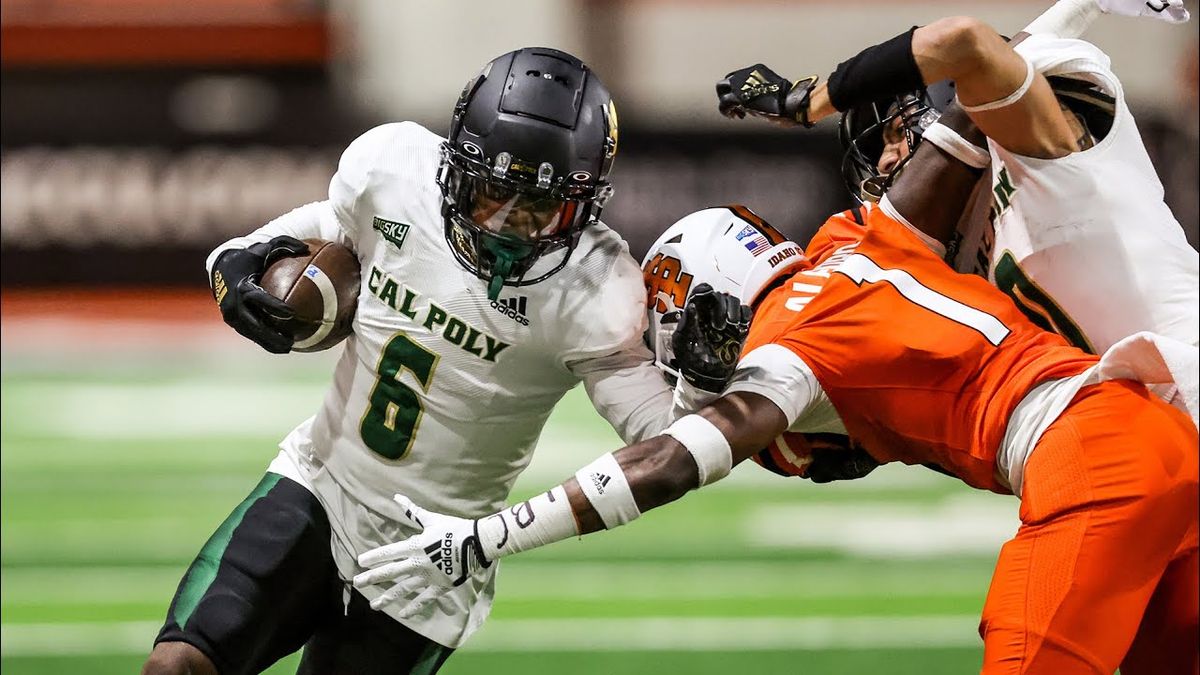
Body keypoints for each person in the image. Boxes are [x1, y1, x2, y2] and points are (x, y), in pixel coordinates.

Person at [142, 47, 747, 675]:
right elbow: (255, 248)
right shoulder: (394, 173)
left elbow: (664, 441)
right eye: (491, 194)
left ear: (583, 207)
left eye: (537, 207)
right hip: (319, 485)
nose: (507, 225)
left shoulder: (597, 291)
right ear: (455, 163)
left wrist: (703, 383)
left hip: (435, 559)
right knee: (176, 668)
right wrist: (236, 277)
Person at [716, 0, 1198, 425]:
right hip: (1154, 430)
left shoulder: (1045, 146)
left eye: (892, 134)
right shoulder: (963, 237)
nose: (886, 160)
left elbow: (969, 45)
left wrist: (807, 101)